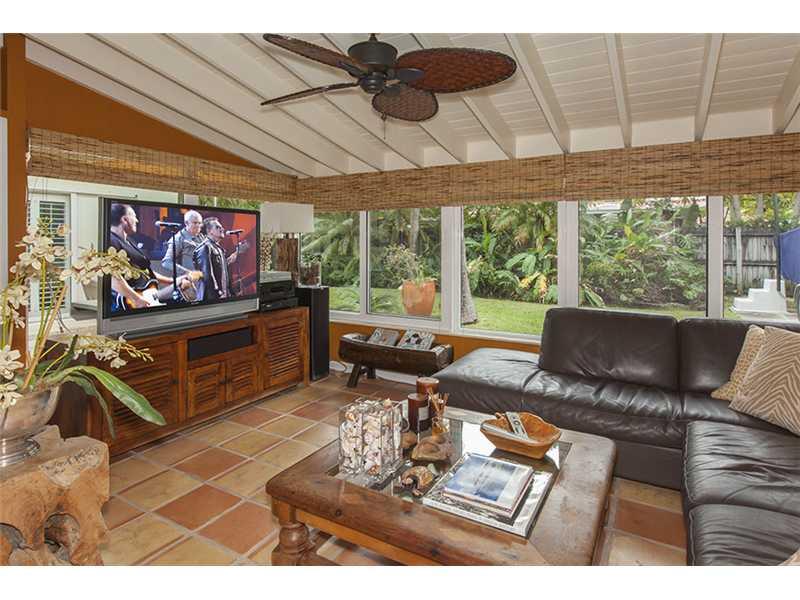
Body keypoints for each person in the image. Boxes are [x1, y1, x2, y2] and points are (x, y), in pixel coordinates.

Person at [108, 203, 192, 311]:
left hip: (145, 296)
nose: (137, 220)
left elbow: (145, 271)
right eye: (134, 216)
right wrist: (136, 299)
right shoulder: (111, 241)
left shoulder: (129, 241)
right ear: (125, 219)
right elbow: (112, 276)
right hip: (128, 304)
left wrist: (172, 281)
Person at [193, 217, 234, 301]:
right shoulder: (205, 247)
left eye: (222, 227)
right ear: (210, 231)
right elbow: (207, 275)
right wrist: (218, 292)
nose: (222, 229)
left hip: (223, 296)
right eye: (218, 227)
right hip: (212, 298)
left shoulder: (219, 248)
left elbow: (222, 272)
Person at [161, 209, 204, 275]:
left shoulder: (202, 238)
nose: (198, 225)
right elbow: (166, 262)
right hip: (186, 279)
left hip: (203, 279)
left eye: (200, 223)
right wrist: (187, 272)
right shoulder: (178, 239)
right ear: (186, 223)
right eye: (195, 223)